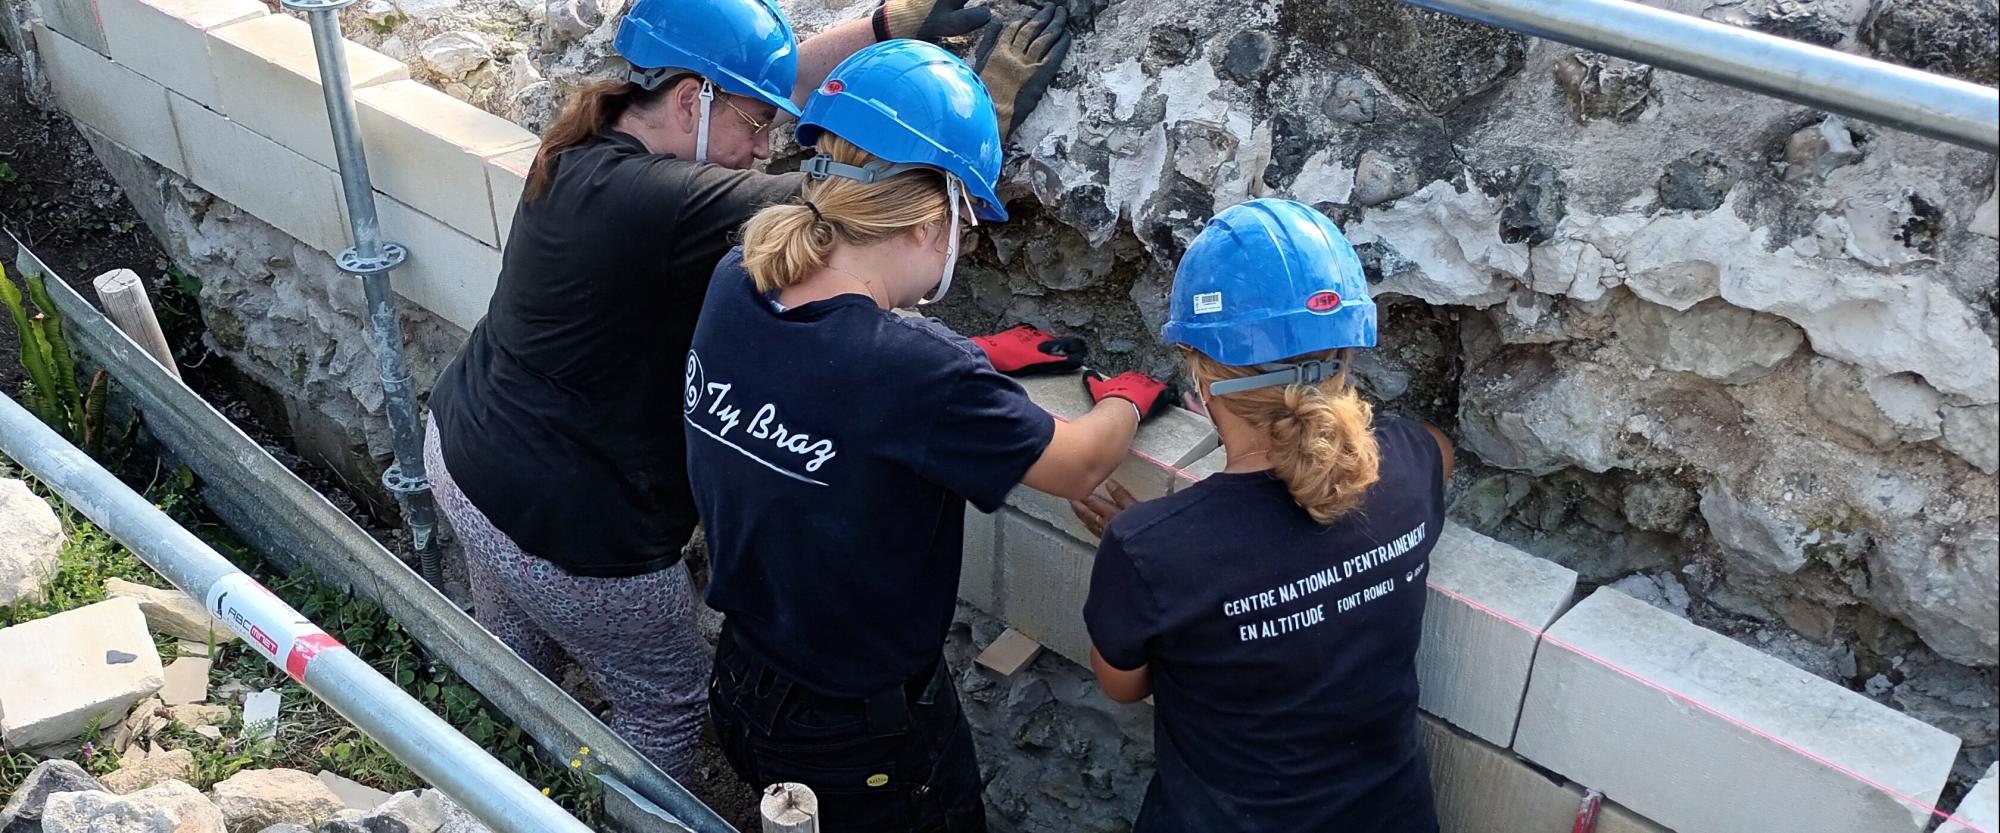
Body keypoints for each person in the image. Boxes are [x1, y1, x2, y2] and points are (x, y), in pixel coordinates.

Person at [421, 0, 1038, 781]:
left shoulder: (588, 148)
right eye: (754, 127)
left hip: (466, 459)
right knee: (666, 704)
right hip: (573, 534)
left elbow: (753, 81)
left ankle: (481, 784)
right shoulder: (669, 203)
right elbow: (846, 209)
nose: (762, 148)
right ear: (688, 102)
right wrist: (953, 150)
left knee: (515, 660)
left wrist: (886, 25)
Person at [683, 39, 1163, 831]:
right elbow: (1079, 462)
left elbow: (827, 380)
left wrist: (976, 358)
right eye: (966, 220)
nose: (964, 241)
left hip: (745, 678)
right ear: (929, 218)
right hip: (859, 737)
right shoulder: (916, 372)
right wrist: (1129, 400)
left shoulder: (740, 277)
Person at [1069, 199, 1455, 833]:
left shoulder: (1148, 549)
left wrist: (1155, 560)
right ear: (1346, 354)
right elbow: (1436, 451)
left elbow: (1125, 687)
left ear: (1200, 369)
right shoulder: (1408, 463)